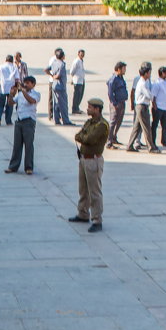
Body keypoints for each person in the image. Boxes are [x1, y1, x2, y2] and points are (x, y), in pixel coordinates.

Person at [68, 97, 110, 233]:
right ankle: (83, 213)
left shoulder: (102, 125)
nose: (88, 109)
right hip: (84, 159)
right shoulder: (89, 122)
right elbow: (78, 135)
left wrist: (83, 137)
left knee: (94, 191)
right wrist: (82, 137)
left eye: (90, 107)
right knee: (83, 189)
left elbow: (89, 139)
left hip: (93, 160)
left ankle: (97, 219)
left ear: (97, 109)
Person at [5, 76, 39, 175]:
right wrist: (11, 95)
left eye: (28, 83)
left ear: (33, 84)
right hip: (19, 121)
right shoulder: (19, 95)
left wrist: (23, 91)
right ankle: (13, 166)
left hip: (29, 121)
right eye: (25, 83)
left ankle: (29, 167)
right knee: (17, 145)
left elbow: (31, 101)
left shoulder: (36, 94)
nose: (26, 85)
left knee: (29, 145)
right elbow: (11, 103)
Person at [127, 63, 158, 153]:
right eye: (149, 72)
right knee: (146, 128)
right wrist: (154, 98)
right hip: (142, 106)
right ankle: (151, 147)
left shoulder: (145, 81)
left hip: (141, 106)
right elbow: (149, 95)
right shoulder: (142, 83)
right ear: (145, 73)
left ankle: (130, 145)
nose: (150, 74)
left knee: (137, 128)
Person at [105, 61, 127, 148]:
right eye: (123, 69)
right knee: (113, 122)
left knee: (119, 121)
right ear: (118, 69)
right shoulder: (113, 79)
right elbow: (110, 93)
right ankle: (109, 141)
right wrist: (114, 103)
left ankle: (114, 137)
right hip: (116, 104)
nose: (125, 70)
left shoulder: (121, 78)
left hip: (122, 102)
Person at [46, 48, 70, 125]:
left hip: (54, 85)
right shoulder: (62, 64)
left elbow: (46, 69)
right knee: (63, 105)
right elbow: (58, 75)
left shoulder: (54, 62)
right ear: (62, 56)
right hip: (61, 86)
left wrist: (51, 75)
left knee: (56, 104)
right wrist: (54, 76)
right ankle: (66, 120)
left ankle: (56, 120)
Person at [0, 54, 19, 126]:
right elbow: (17, 79)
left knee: (0, 104)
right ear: (12, 60)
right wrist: (16, 89)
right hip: (11, 88)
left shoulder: (1, 67)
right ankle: (8, 121)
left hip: (3, 88)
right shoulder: (14, 67)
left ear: (5, 60)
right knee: (10, 104)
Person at [151, 66, 166, 148]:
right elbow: (153, 96)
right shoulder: (157, 83)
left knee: (165, 125)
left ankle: (164, 141)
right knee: (155, 125)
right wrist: (154, 106)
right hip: (158, 107)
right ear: (162, 73)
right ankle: (152, 141)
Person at [69, 49, 87, 114]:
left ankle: (77, 107)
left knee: (80, 95)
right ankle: (74, 109)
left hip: (81, 80)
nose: (82, 55)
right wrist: (73, 79)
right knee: (76, 95)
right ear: (78, 54)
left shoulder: (81, 61)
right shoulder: (76, 61)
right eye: (81, 54)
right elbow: (72, 71)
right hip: (77, 81)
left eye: (83, 54)